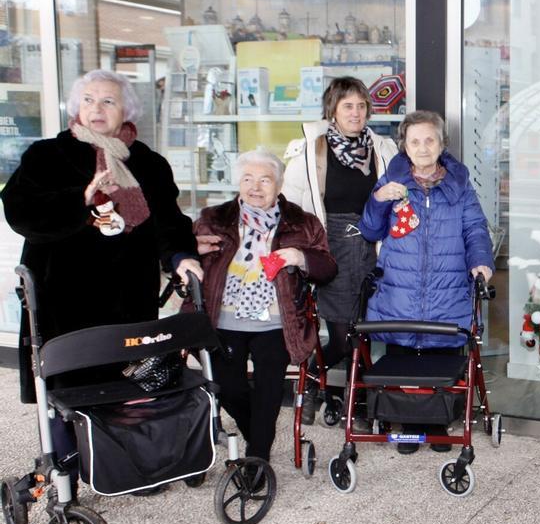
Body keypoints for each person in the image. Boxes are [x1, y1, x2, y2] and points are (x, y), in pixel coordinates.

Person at [0, 69, 202, 492]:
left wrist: (182, 257)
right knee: (66, 385)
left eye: (108, 101)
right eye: (89, 100)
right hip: (62, 296)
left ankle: (130, 463)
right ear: (76, 108)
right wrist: (81, 199)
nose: (97, 109)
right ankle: (67, 467)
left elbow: (169, 222)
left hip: (128, 295)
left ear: (126, 110)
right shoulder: (46, 156)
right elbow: (21, 212)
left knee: (128, 379)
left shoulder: (148, 162)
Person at [358, 110, 494, 453]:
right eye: (415, 141)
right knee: (402, 354)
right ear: (404, 145)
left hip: (446, 288)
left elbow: (475, 229)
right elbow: (371, 229)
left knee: (444, 355)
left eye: (429, 140)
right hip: (399, 291)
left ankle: (439, 419)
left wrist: (481, 264)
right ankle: (409, 420)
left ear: (441, 144)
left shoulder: (460, 187)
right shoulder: (391, 182)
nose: (422, 147)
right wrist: (378, 200)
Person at [194, 149, 336, 466]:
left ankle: (257, 459)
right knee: (228, 388)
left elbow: (327, 269)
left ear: (279, 183)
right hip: (223, 322)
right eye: (248, 179)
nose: (255, 187)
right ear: (238, 182)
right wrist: (192, 249)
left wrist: (301, 258)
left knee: (270, 387)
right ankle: (257, 435)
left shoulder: (302, 223)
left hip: (277, 323)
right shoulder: (213, 220)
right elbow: (186, 267)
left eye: (264, 179)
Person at [280, 76, 398, 424]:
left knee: (365, 332)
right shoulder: (310, 150)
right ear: (332, 109)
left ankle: (356, 403)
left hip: (371, 247)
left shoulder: (382, 148)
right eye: (348, 105)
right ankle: (314, 381)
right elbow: (291, 207)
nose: (356, 112)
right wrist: (301, 255)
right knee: (344, 339)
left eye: (361, 105)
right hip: (330, 252)